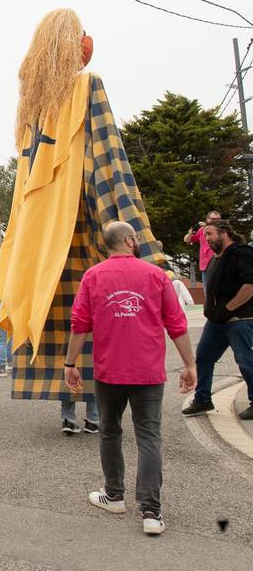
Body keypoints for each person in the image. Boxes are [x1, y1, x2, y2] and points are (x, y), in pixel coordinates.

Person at [0, 8, 163, 438]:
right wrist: (141, 246)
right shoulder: (87, 86)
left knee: (53, 319)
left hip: (37, 240)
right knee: (94, 324)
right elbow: (108, 165)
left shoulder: (31, 108)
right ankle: (94, 411)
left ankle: (69, 413)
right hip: (81, 228)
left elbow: (23, 185)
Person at [65, 221, 196, 536]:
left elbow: (79, 324)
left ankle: (114, 495)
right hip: (147, 372)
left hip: (109, 372)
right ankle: (151, 511)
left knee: (110, 431)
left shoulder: (93, 276)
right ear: (128, 240)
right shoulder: (155, 275)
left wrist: (70, 363)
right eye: (135, 238)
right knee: (149, 436)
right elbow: (176, 323)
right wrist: (190, 365)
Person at [181, 221, 253, 420]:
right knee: (204, 357)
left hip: (239, 319)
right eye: (205, 235)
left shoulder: (241, 253)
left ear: (225, 233)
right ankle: (203, 399)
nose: (207, 239)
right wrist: (216, 313)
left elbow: (250, 285)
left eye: (210, 234)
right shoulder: (216, 258)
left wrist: (229, 309)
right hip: (216, 322)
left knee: (245, 361)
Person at [185, 211, 222, 288]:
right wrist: (190, 234)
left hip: (217, 266)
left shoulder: (222, 230)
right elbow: (187, 240)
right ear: (207, 219)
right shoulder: (202, 230)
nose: (216, 221)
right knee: (207, 292)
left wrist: (207, 227)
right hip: (205, 267)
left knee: (218, 291)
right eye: (213, 219)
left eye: (218, 219)